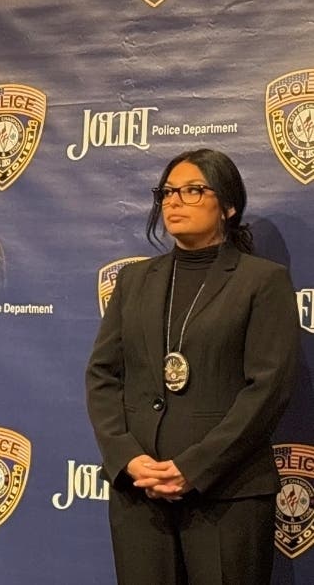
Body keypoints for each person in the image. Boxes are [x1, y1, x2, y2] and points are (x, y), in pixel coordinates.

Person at [86, 149, 298, 584]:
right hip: (140, 494)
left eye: (193, 190)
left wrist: (195, 467)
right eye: (166, 192)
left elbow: (268, 388)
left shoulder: (262, 282)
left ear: (229, 205)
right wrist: (127, 458)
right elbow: (103, 376)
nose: (173, 201)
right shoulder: (133, 281)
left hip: (228, 494)